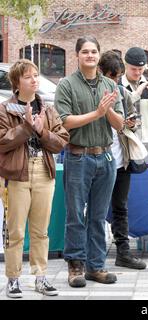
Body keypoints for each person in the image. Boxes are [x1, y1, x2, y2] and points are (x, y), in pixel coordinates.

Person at [54, 36, 124, 288]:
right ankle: (75, 266)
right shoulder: (67, 85)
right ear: (77, 55)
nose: (90, 56)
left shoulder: (109, 84)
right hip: (77, 156)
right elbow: (63, 121)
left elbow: (120, 125)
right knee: (76, 215)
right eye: (85, 52)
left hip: (105, 157)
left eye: (94, 51)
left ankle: (96, 266)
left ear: (99, 54)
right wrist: (96, 113)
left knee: (97, 216)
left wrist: (109, 111)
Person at [0, 59, 69, 298]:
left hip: (43, 171)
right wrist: (27, 127)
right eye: (28, 76)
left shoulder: (48, 110)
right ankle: (13, 279)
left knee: (41, 230)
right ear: (17, 83)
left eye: (36, 75)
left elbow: (61, 141)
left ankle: (41, 277)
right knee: (16, 230)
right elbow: (2, 141)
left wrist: (42, 130)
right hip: (17, 174)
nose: (34, 79)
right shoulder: (4, 109)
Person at [98, 50, 147, 270]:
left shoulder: (122, 93)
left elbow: (134, 122)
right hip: (97, 158)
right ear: (101, 72)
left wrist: (129, 122)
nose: (114, 81)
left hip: (121, 159)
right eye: (111, 76)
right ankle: (93, 253)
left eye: (117, 77)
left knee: (120, 207)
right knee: (96, 209)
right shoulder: (93, 92)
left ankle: (123, 252)